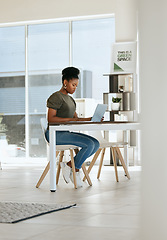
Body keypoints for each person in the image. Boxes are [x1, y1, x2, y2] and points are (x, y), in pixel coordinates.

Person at [45, 67, 100, 187]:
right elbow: (51, 119)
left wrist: (90, 119)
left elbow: (76, 120)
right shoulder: (56, 97)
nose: (75, 88)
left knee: (96, 143)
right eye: (73, 85)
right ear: (65, 83)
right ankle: (74, 169)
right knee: (89, 144)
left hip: (65, 132)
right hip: (55, 134)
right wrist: (72, 119)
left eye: (76, 85)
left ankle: (70, 166)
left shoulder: (70, 100)